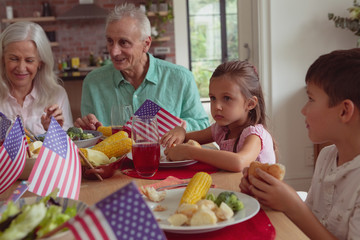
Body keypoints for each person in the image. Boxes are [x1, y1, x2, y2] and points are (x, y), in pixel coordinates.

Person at [239, 49, 360, 240]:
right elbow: (311, 224)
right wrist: (266, 195)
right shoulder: (327, 156)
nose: (303, 110)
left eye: (311, 99)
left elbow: (301, 215)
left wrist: (292, 205)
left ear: (344, 111)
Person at [75, 3, 209, 132]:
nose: (114, 52)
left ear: (146, 44)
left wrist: (181, 127)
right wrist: (87, 131)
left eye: (124, 42)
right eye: (110, 41)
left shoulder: (181, 78)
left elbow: (203, 125)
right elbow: (91, 138)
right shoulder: (93, 82)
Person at [161, 60, 276, 172]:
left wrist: (190, 152)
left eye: (227, 98)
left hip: (255, 192)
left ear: (250, 103)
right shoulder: (221, 129)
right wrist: (180, 131)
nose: (217, 106)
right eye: (213, 98)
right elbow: (187, 137)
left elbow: (239, 162)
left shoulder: (255, 135)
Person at [0, 21, 73, 135]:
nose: (21, 67)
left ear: (40, 62)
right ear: (3, 58)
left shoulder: (57, 94)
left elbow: (69, 147)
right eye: (14, 59)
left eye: (29, 60)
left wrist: (53, 131)